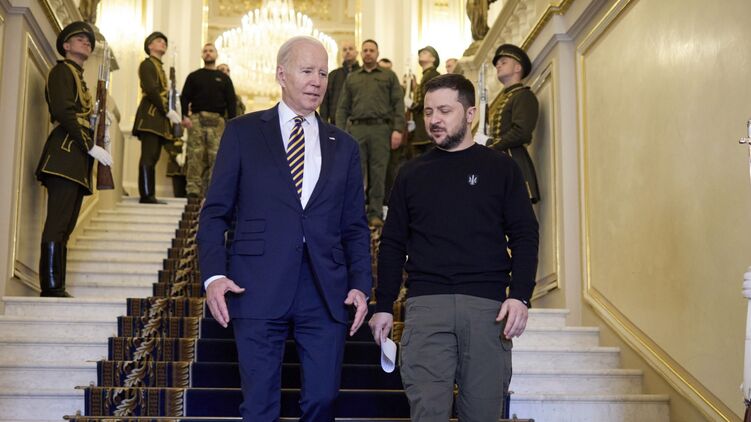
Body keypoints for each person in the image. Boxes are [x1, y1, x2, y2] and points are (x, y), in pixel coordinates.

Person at [197, 36, 372, 421]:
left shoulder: (344, 146)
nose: (317, 81)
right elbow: (215, 214)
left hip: (325, 289)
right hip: (255, 283)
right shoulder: (242, 132)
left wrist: (361, 284)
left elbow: (355, 227)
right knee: (259, 406)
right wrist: (214, 276)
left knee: (323, 400)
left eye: (323, 73)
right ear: (281, 74)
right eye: (307, 71)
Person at [369, 73, 539, 421]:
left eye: (445, 111)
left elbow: (525, 234)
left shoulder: (501, 168)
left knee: (482, 413)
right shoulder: (410, 173)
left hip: (488, 311)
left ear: (470, 114)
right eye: (429, 111)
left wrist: (520, 295)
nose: (434, 120)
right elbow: (392, 244)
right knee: (428, 413)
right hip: (426, 306)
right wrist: (384, 305)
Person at [35, 21, 113, 297]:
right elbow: (63, 111)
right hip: (65, 154)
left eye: (88, 40)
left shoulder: (78, 77)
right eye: (80, 39)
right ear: (66, 46)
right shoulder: (61, 72)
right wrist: (89, 145)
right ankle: (50, 286)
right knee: (58, 223)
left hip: (76, 160)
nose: (86, 42)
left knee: (66, 226)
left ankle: (57, 285)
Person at [335, 39, 404, 227]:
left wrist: (398, 129)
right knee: (355, 173)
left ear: (377, 53)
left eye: (371, 50)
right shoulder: (352, 78)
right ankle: (356, 213)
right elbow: (342, 108)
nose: (368, 53)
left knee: (378, 173)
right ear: (361, 53)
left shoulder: (389, 76)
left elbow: (398, 104)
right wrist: (341, 133)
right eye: (365, 50)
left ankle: (375, 213)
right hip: (356, 130)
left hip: (381, 130)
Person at [479, 43, 540, 203]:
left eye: (504, 62)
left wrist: (493, 145)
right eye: (497, 64)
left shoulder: (523, 96)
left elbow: (522, 132)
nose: (498, 65)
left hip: (514, 161)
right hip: (499, 162)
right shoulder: (504, 99)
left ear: (518, 68)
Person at [180, 43, 237, 198]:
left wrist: (232, 124)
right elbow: (184, 97)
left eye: (211, 51)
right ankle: (193, 190)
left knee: (217, 157)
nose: (208, 53)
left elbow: (231, 102)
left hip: (218, 122)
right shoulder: (194, 76)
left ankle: (213, 191)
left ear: (216, 54)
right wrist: (184, 116)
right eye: (205, 51)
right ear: (202, 55)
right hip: (197, 120)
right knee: (195, 155)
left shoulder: (224, 79)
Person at [132, 31, 182, 204]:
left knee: (153, 157)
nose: (163, 43)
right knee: (149, 156)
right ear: (150, 45)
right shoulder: (147, 64)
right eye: (159, 41)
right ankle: (146, 194)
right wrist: (167, 110)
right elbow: (152, 90)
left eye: (164, 42)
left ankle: (149, 193)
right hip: (151, 115)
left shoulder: (159, 66)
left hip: (158, 118)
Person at [407, 46, 441, 158]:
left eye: (425, 52)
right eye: (420, 53)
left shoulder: (433, 75)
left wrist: (412, 105)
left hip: (427, 126)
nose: (421, 54)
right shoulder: (426, 75)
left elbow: (429, 100)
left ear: (433, 59)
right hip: (421, 124)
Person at [319, 40, 359, 125]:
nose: (347, 51)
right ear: (341, 54)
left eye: (350, 49)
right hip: (336, 122)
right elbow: (325, 102)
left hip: (359, 123)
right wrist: (323, 124)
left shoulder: (363, 75)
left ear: (356, 52)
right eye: (345, 50)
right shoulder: (333, 75)